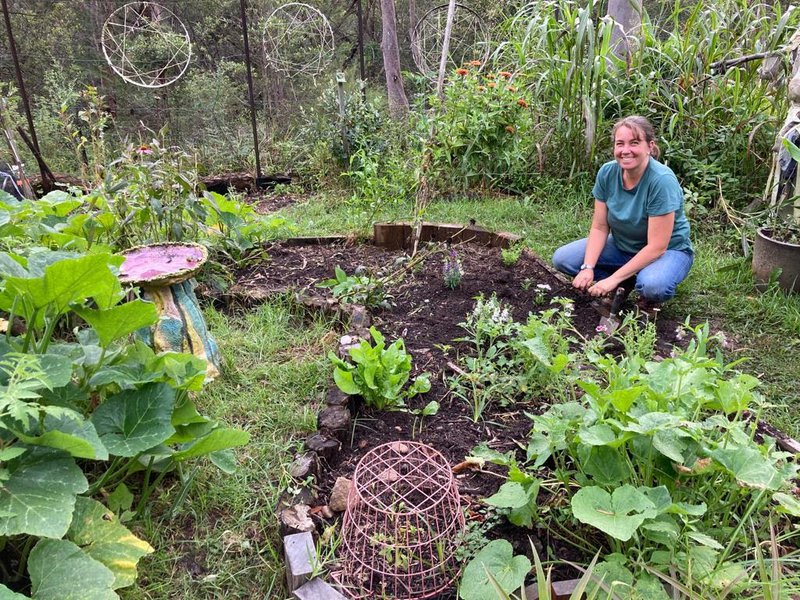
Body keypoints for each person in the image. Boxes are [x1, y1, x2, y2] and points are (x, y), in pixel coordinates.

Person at [552, 115, 693, 307]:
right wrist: (587, 268)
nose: (625, 151)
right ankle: (626, 280)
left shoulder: (661, 181)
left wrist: (612, 280)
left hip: (667, 251)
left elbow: (657, 246)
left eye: (634, 143)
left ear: (649, 146)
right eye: (620, 144)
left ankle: (644, 295)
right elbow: (600, 227)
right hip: (623, 246)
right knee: (563, 260)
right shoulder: (607, 173)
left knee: (653, 286)